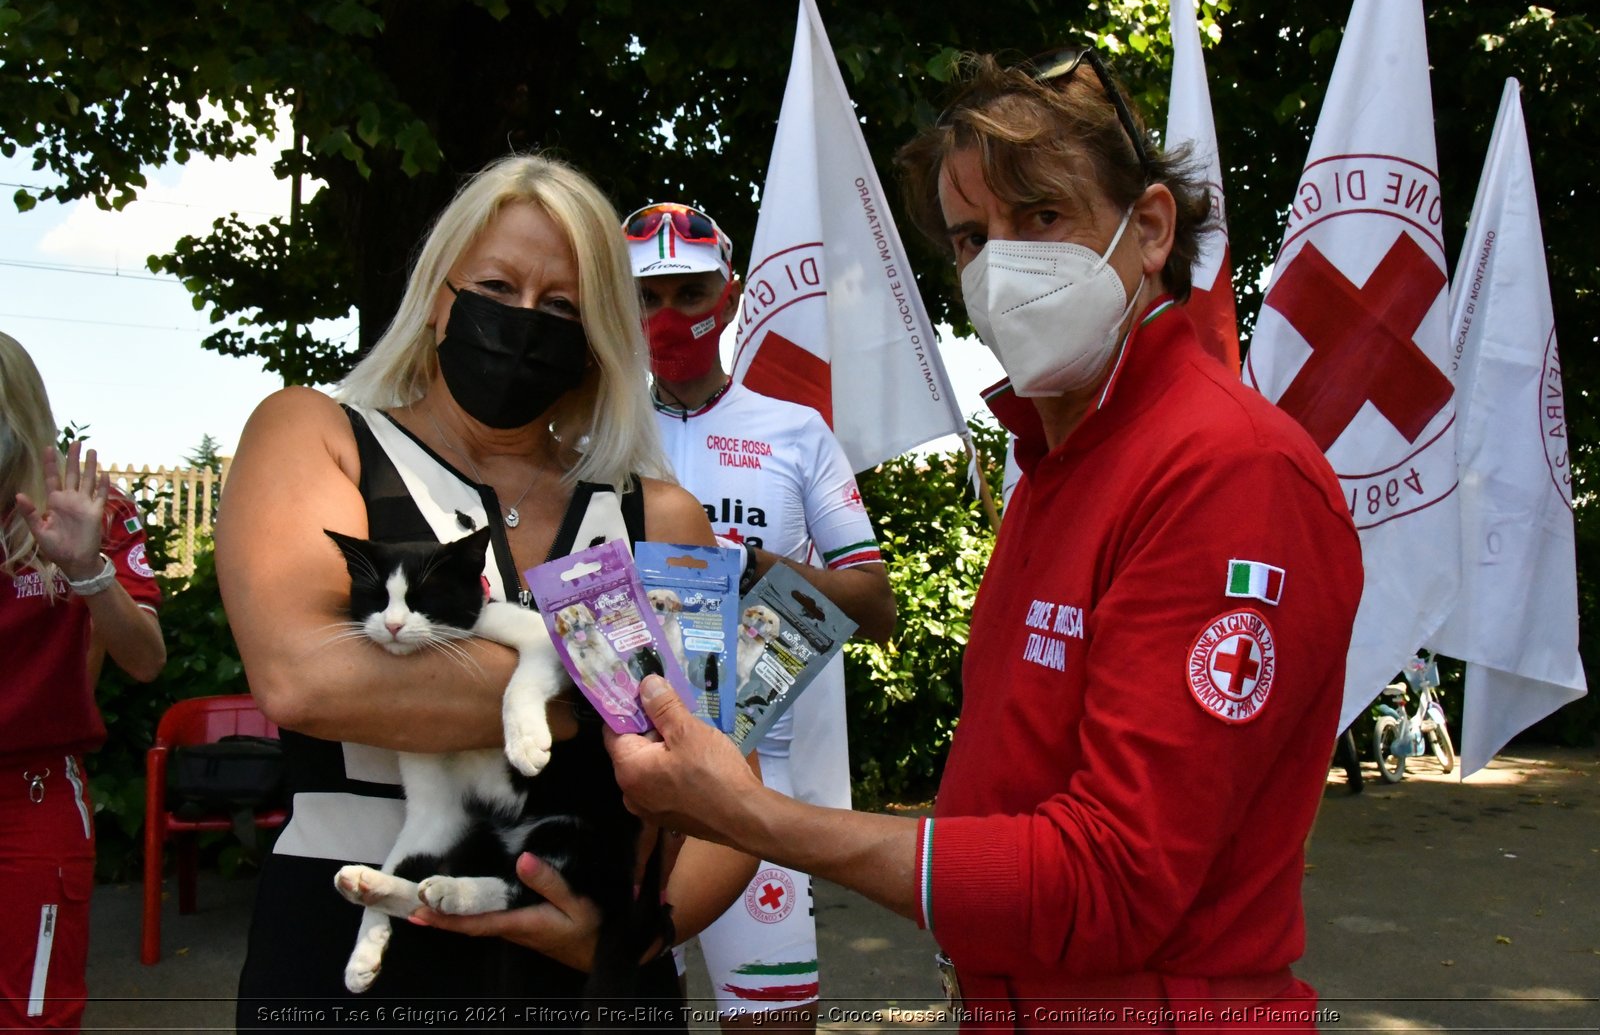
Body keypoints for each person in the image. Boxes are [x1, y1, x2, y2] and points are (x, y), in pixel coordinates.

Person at [604, 52, 1364, 1031]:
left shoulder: (1226, 469)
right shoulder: (1059, 461)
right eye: (969, 237)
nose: (998, 264)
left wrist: (759, 817)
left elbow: (1113, 878)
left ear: (1148, 230)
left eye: (1041, 216)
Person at [215, 154, 757, 1029]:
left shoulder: (664, 516)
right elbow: (304, 677)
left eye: (561, 308)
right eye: (497, 285)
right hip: (351, 949)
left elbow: (730, 778)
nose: (522, 323)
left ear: (598, 338)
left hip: (593, 977)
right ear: (438, 295)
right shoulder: (316, 435)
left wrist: (637, 935)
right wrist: (604, 693)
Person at [623, 202, 896, 1029]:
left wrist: (753, 565)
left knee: (774, 1020)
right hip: (623, 784)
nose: (667, 317)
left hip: (753, 781)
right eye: (647, 297)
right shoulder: (589, 433)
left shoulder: (795, 431)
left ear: (730, 294)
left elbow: (874, 606)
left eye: (688, 292)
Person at [1, 331, 166, 1032]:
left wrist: (88, 571)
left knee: (33, 1015)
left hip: (31, 795)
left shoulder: (88, 509)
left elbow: (145, 657)